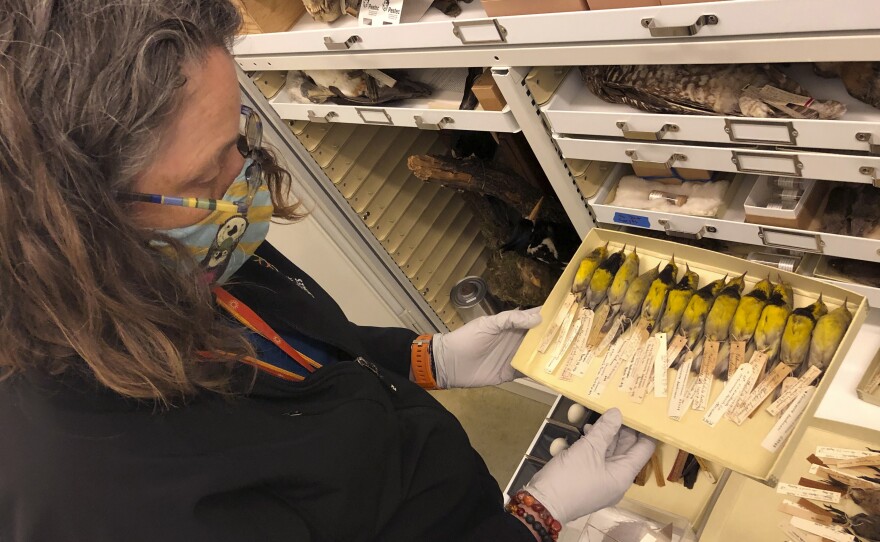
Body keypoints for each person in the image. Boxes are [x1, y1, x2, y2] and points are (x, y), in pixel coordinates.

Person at [0, 1, 655, 541]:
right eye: (207, 176)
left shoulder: (187, 245)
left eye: (241, 142)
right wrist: (535, 520)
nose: (245, 189)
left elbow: (295, 346)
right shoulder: (108, 500)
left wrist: (429, 359)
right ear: (67, 231)